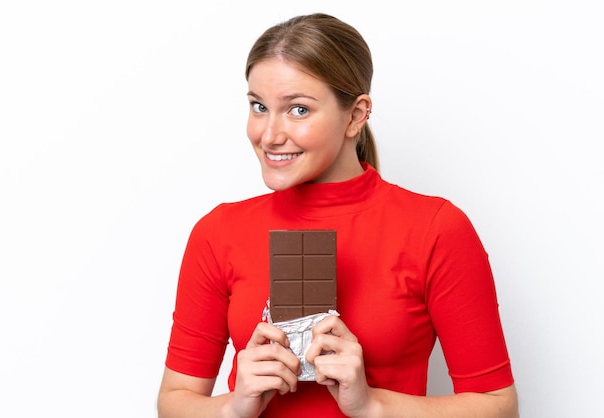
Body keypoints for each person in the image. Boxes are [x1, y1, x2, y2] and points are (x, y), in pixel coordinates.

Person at [157, 12, 519, 418]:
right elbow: (174, 401)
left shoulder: (434, 229)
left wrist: (372, 405)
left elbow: (497, 407)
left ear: (356, 115)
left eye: (298, 110)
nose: (269, 134)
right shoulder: (218, 233)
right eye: (259, 106)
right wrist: (234, 407)